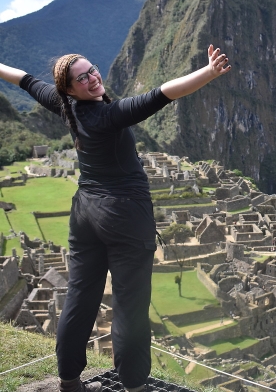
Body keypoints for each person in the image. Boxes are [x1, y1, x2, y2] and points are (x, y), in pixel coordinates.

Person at [0, 45, 231, 392]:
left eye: (92, 70)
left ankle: (69, 382)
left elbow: (24, 79)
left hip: (85, 214)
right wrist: (210, 72)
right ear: (70, 88)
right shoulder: (107, 115)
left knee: (80, 296)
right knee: (130, 305)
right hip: (124, 215)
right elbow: (164, 93)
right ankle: (135, 386)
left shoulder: (65, 106)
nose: (93, 79)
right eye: (83, 78)